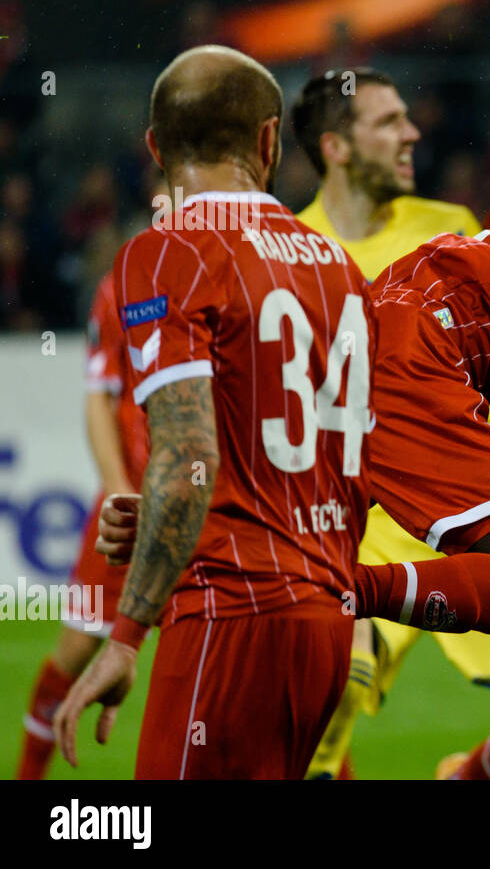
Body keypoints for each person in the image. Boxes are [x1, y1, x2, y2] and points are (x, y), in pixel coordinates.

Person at [51, 44, 377, 779]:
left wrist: (128, 635)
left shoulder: (164, 254)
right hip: (325, 615)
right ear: (270, 140)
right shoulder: (339, 268)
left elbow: (187, 455)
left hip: (229, 614)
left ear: (155, 147)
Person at [289, 68, 490, 778]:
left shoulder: (444, 227)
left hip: (463, 502)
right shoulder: (294, 254)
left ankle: (470, 773)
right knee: (324, 697)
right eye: (387, 122)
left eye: (407, 117)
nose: (412, 133)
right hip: (359, 524)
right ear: (336, 147)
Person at [14, 272, 148, 778]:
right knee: (75, 649)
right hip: (131, 500)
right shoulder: (124, 282)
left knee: (257, 667)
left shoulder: (232, 272)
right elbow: (99, 394)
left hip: (212, 507)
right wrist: (119, 491)